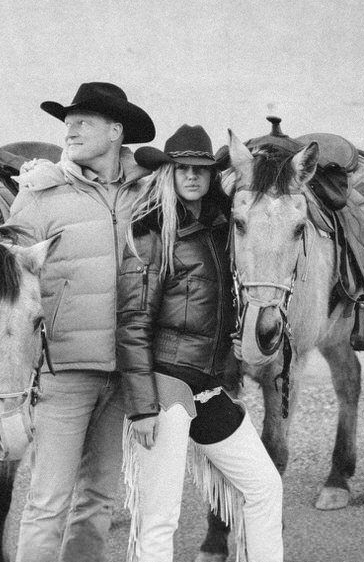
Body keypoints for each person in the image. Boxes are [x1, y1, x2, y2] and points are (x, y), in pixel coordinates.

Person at [117, 125, 284, 562]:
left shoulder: (219, 227)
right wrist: (140, 407)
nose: (192, 176)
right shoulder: (150, 232)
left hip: (208, 387)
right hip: (166, 388)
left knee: (264, 486)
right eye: (183, 168)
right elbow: (132, 324)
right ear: (168, 172)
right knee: (159, 518)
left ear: (212, 175)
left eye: (201, 169)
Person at [7, 82, 157, 562]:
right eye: (67, 122)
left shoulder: (148, 193)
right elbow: (9, 283)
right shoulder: (41, 193)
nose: (69, 129)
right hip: (64, 371)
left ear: (116, 132)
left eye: (83, 122)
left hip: (124, 371)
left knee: (97, 502)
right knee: (48, 502)